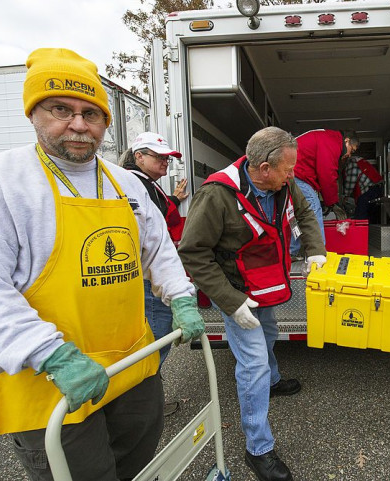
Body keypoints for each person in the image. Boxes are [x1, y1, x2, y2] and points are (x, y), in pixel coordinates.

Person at [0, 48, 205, 480]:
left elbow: (158, 249)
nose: (80, 124)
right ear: (32, 112)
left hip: (131, 368)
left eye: (92, 113)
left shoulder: (125, 184)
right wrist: (52, 355)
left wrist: (181, 298)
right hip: (52, 381)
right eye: (61, 109)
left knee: (135, 466)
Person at [178, 126, 326, 481]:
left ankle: (272, 381)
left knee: (271, 331)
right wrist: (231, 303)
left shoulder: (284, 183)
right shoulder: (216, 196)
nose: (293, 175)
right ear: (263, 168)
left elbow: (304, 214)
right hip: (237, 288)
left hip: (267, 279)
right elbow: (193, 253)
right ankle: (258, 449)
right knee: (253, 363)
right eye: (287, 169)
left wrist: (315, 251)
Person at [121, 131, 189, 366]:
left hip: (154, 276)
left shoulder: (145, 184)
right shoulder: (132, 183)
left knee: (158, 337)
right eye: (159, 156)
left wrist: (175, 199)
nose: (165, 162)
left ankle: (150, 392)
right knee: (156, 339)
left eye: (167, 158)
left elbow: (154, 213)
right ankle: (147, 393)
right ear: (139, 156)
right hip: (149, 277)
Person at [289, 129, 359, 256]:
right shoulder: (332, 143)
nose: (349, 154)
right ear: (346, 141)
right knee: (312, 210)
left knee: (296, 215)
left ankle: (291, 252)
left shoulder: (326, 137)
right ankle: (318, 254)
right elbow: (327, 174)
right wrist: (332, 203)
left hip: (293, 172)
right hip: (297, 174)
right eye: (352, 150)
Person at [342, 154, 384, 222]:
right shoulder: (359, 160)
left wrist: (345, 196)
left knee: (360, 219)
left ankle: (362, 232)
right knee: (372, 218)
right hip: (377, 189)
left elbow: (350, 182)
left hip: (368, 191)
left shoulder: (352, 163)